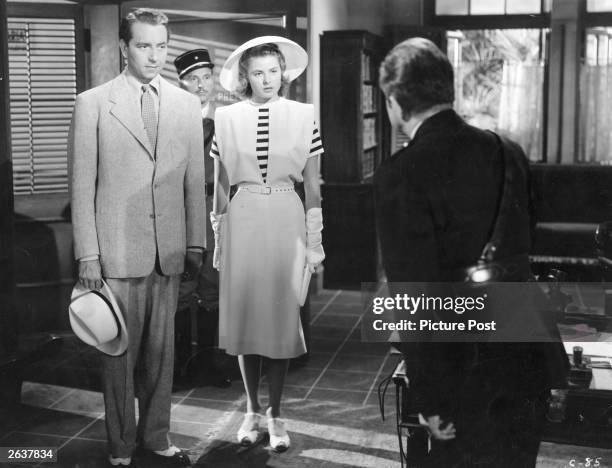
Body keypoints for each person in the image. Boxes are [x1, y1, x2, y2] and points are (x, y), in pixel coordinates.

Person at [373, 37, 568, 467]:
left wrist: (430, 397)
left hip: (462, 370)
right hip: (527, 355)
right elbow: (524, 242)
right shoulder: (507, 151)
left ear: (395, 101)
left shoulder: (400, 173)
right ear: (448, 89)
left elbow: (415, 295)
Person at [69, 8, 205, 467]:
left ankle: (156, 437)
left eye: (162, 46)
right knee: (118, 356)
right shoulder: (93, 103)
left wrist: (195, 245)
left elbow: (193, 182)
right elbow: (81, 186)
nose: (154, 55)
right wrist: (88, 254)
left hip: (168, 250)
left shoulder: (187, 105)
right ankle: (120, 445)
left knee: (161, 357)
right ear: (125, 47)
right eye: (144, 45)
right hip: (115, 251)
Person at [210, 36, 324, 452]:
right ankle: (251, 411)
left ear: (284, 73)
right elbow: (221, 185)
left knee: (279, 321)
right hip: (243, 219)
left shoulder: (303, 115)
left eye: (273, 71)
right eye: (258, 72)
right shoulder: (226, 118)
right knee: (246, 321)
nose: (267, 79)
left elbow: (312, 185)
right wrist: (219, 237)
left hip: (285, 218)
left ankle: (277, 415)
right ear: (245, 77)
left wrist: (314, 240)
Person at [173, 48, 231, 388]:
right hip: (182, 209)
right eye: (192, 79)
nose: (200, 85)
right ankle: (180, 366)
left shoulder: (227, 116)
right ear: (180, 83)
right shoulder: (169, 117)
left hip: (216, 206)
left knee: (213, 285)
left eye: (206, 77)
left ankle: (208, 364)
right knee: (183, 284)